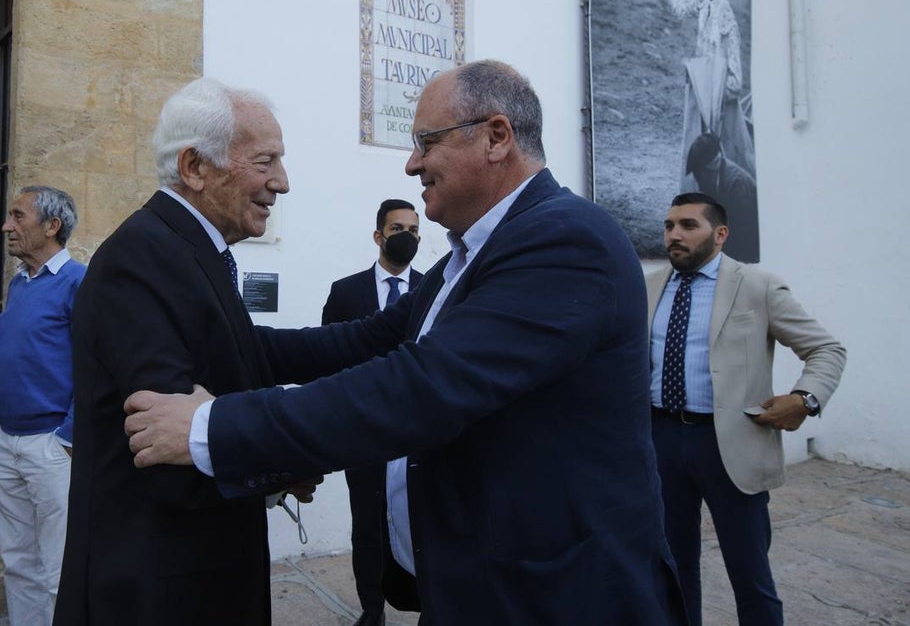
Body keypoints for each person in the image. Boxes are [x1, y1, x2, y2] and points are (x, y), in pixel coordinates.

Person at [125, 60, 688, 624]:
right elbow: (363, 342)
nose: (412, 163)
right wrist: (220, 342)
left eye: (426, 142)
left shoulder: (568, 240)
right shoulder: (467, 257)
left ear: (496, 137)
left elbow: (423, 386)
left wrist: (211, 428)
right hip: (472, 583)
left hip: (556, 595)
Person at [54, 77, 298, 626]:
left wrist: (388, 333)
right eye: (266, 161)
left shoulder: (187, 249)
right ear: (194, 167)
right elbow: (172, 450)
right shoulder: (139, 260)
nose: (281, 182)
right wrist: (290, 456)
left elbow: (249, 353)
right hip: (158, 587)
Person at [647, 193, 846, 626]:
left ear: (720, 235)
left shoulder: (757, 286)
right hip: (659, 441)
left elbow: (826, 349)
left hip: (729, 444)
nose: (674, 235)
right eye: (668, 226)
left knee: (750, 574)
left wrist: (805, 399)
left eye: (687, 225)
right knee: (672, 569)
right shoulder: (650, 286)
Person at [321, 198, 424, 626]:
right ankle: (372, 609)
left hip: (417, 430)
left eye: (415, 230)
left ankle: (423, 600)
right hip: (362, 429)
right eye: (398, 229)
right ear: (379, 236)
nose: (408, 237)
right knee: (367, 523)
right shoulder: (346, 292)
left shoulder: (431, 289)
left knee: (418, 520)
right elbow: (328, 357)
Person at [0, 186, 85, 626]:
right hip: (5, 439)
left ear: (51, 226)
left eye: (17, 216)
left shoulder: (78, 282)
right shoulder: (19, 281)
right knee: (18, 562)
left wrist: (67, 436)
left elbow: (98, 364)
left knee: (58, 570)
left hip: (50, 446)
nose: (8, 226)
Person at [646, 0, 756, 197]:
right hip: (701, 103)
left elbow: (736, 83)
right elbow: (674, 6)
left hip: (720, 113)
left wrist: (710, 87)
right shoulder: (702, 0)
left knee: (728, 178)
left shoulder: (727, 18)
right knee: (700, 172)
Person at [684, 132, 758, 262]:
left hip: (745, 238)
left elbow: (742, 226)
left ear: (711, 166)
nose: (700, 178)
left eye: (701, 172)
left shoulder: (737, 183)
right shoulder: (707, 173)